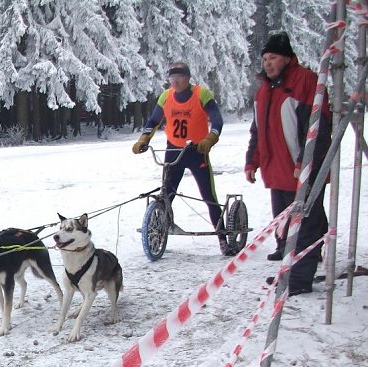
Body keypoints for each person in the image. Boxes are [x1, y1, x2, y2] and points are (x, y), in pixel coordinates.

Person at [245, 32, 331, 295]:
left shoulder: (304, 81)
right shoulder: (264, 90)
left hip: (301, 172)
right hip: (277, 172)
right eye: (265, 59)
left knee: (304, 226)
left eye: (273, 58)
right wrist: (252, 161)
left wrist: (305, 162)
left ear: (286, 58)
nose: (267, 63)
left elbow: (317, 128)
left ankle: (299, 279)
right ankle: (290, 270)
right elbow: (258, 131)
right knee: (286, 226)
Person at [132, 62, 229, 255]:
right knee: (166, 194)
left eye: (179, 78)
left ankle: (223, 238)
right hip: (173, 150)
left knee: (208, 196)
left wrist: (211, 138)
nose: (175, 82)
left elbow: (217, 120)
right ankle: (159, 232)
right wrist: (143, 139)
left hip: (196, 151)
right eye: (172, 78)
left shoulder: (201, 94)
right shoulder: (166, 96)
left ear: (188, 78)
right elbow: (153, 120)